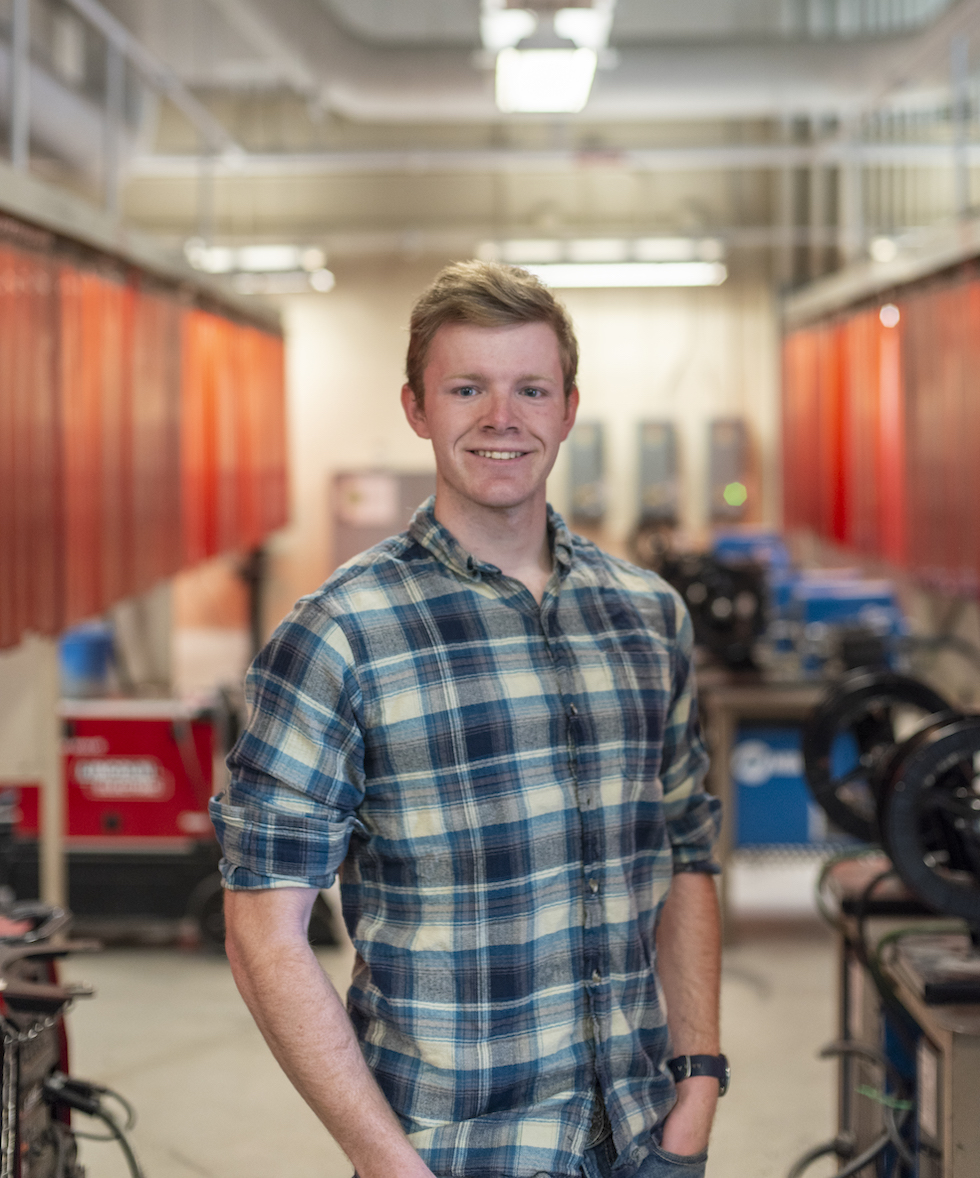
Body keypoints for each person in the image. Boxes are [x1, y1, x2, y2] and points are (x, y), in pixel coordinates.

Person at [210, 261, 725, 1178]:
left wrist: (698, 1087)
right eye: (466, 388)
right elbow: (263, 932)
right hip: (453, 1153)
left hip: (648, 1140)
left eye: (531, 388)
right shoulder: (339, 636)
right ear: (417, 407)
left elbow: (687, 852)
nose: (502, 417)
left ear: (569, 408)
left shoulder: (649, 617)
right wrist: (386, 1163)